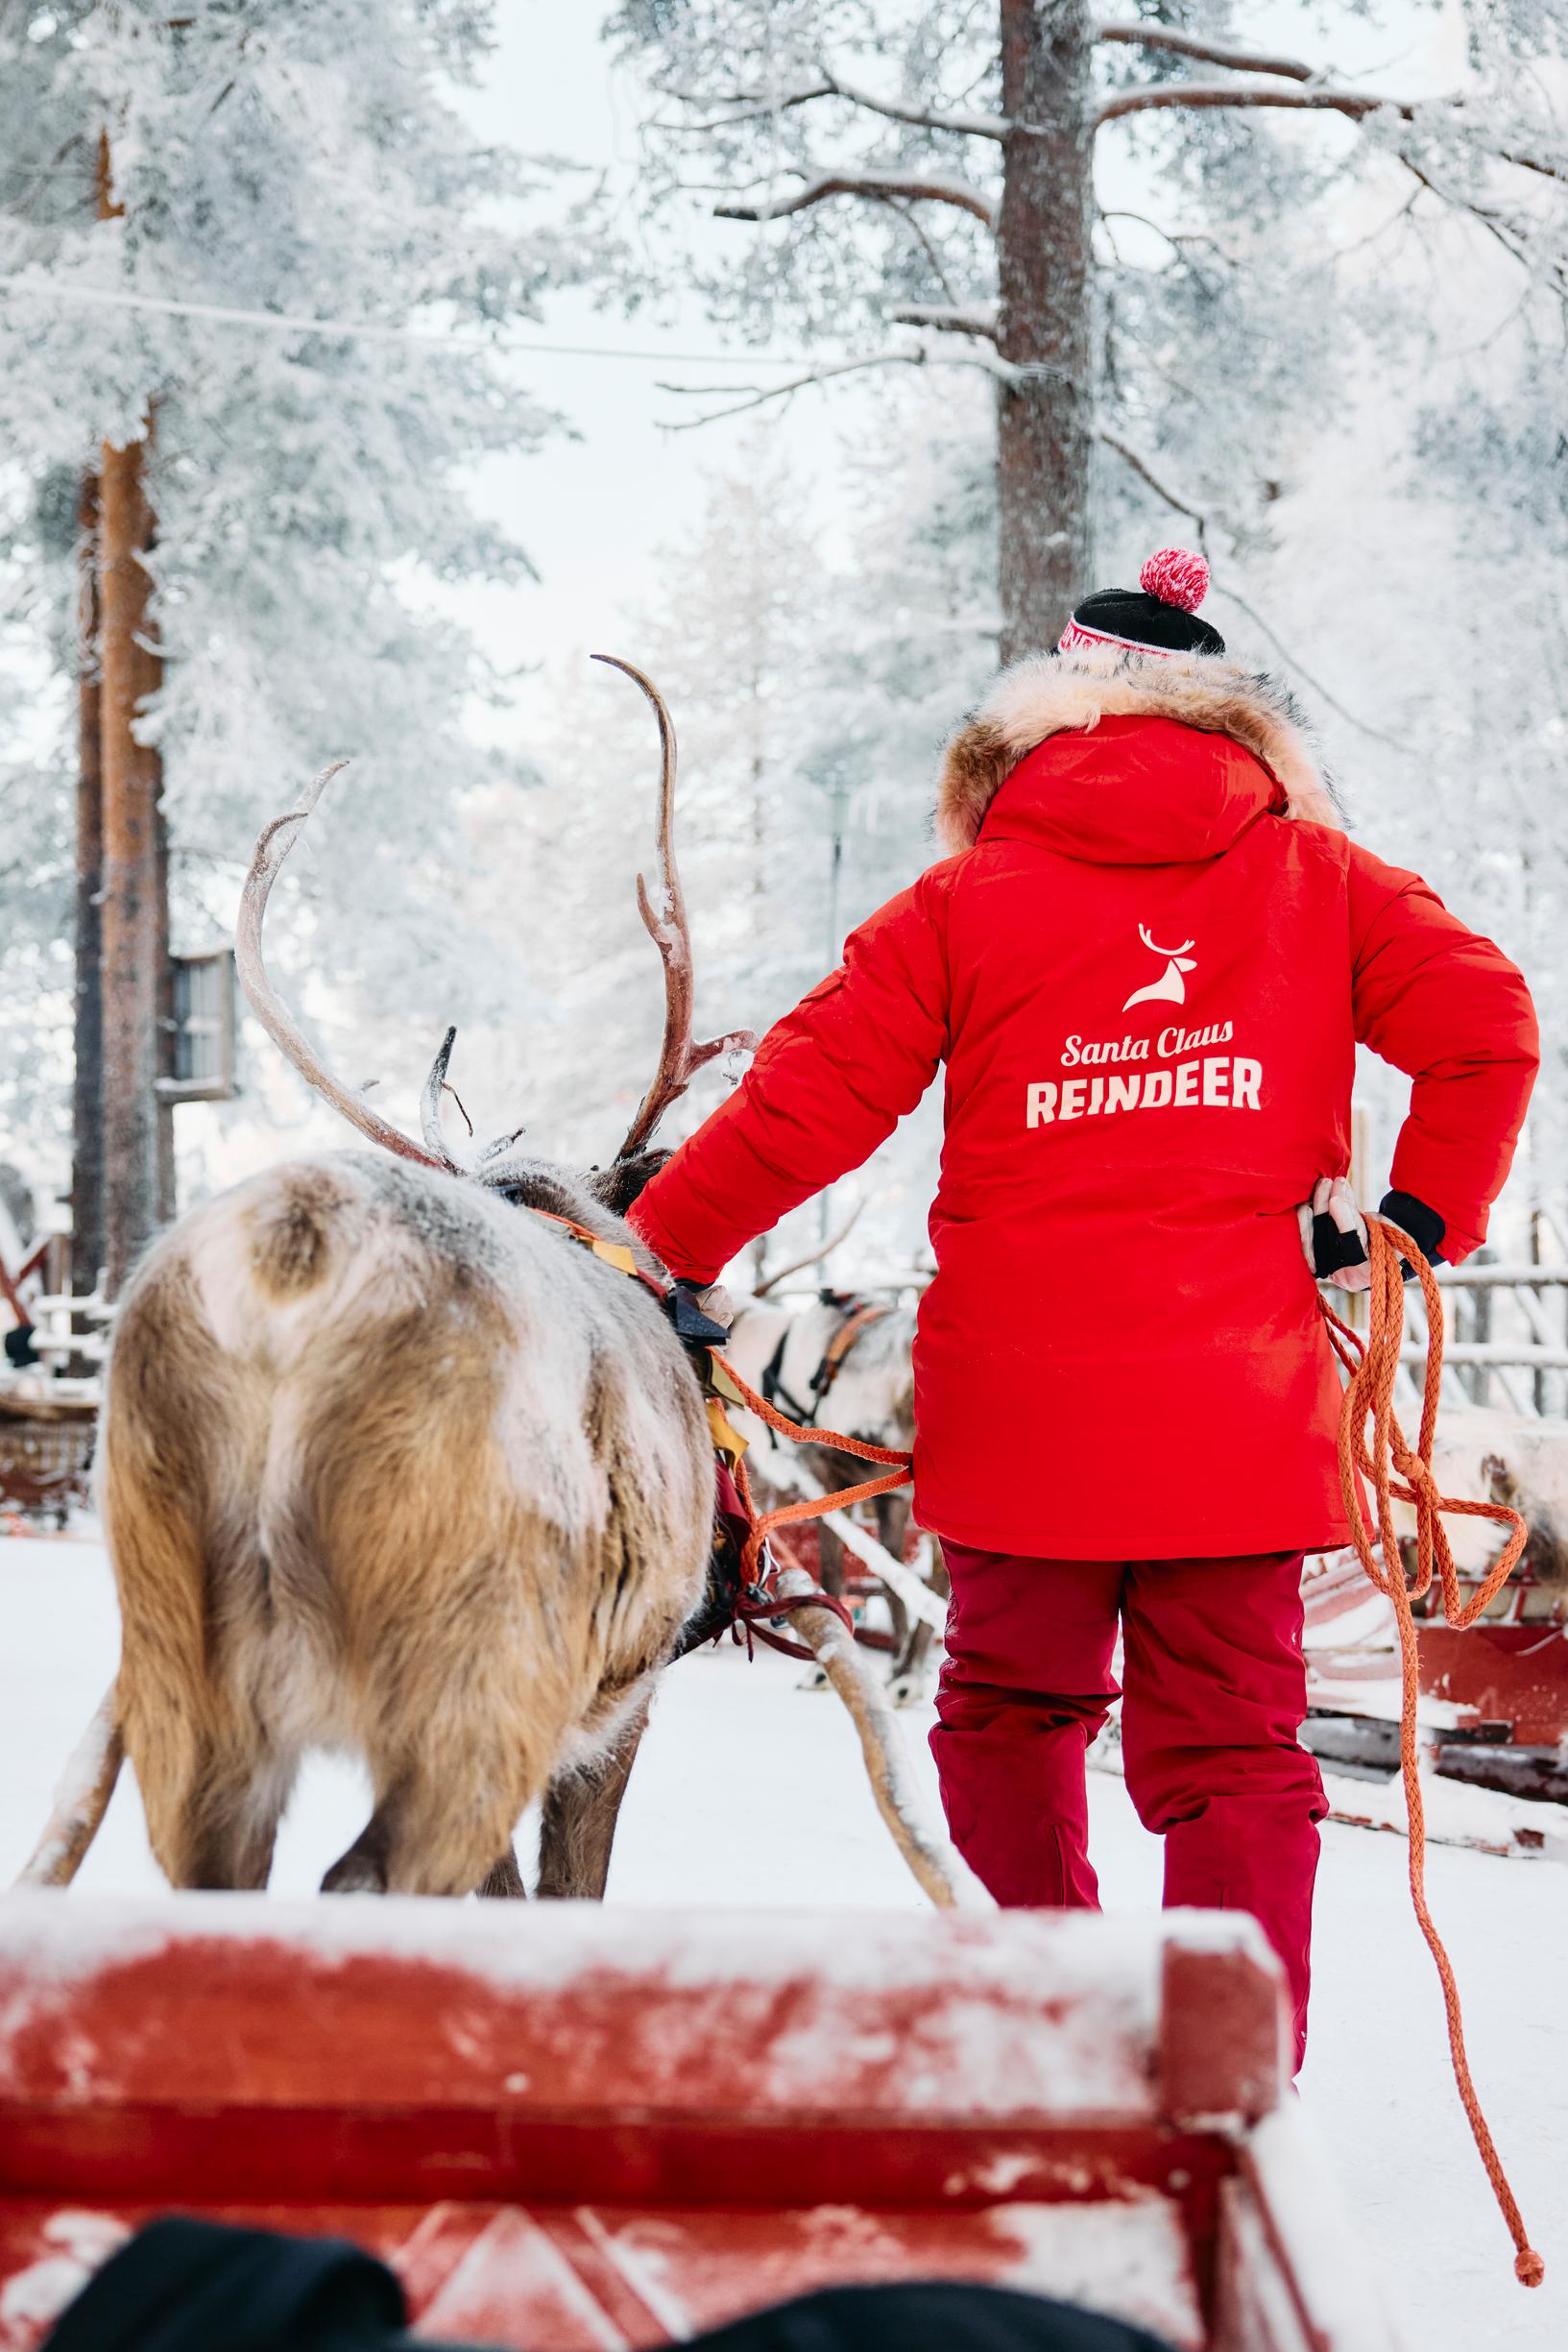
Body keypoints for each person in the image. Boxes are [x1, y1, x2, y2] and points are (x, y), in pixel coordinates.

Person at [627, 549, 1538, 2066]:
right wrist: (1414, 1224)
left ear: (1037, 725)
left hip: (1017, 1410)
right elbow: (1485, 1026)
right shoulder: (1321, 881)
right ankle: (1218, 2075)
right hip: (1239, 1405)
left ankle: (1049, 2037)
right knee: (1233, 1746)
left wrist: (657, 1248)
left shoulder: (958, 903)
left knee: (1006, 1715)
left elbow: (806, 1101)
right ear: (1225, 724)